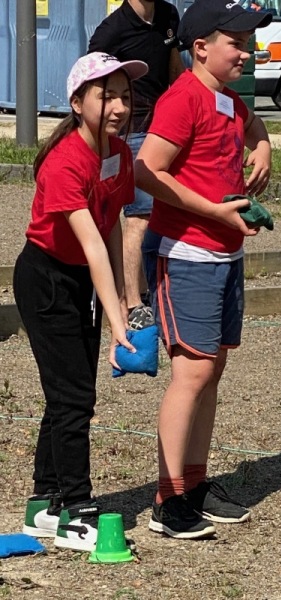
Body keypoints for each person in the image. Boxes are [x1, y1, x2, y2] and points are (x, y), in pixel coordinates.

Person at [134, 0, 272, 539]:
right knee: (191, 373)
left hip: (226, 254)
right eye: (235, 43)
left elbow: (251, 124)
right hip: (187, 254)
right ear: (200, 48)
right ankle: (167, 499)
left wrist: (263, 145)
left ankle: (194, 483)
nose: (246, 52)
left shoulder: (227, 100)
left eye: (247, 42)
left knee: (211, 370)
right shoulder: (183, 98)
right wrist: (214, 211)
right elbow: (147, 170)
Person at [14, 52, 148, 552]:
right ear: (77, 102)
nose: (119, 106)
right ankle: (76, 509)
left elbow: (110, 227)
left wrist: (125, 301)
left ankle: (43, 504)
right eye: (106, 96)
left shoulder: (120, 153)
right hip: (46, 280)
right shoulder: (64, 160)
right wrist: (118, 323)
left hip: (82, 282)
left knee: (68, 394)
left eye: (125, 96)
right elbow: (90, 245)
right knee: (73, 399)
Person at [88, 0, 185, 330]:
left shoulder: (169, 15)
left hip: (163, 129)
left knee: (157, 212)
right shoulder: (111, 31)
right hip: (130, 131)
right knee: (139, 216)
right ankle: (133, 303)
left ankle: (148, 292)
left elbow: (175, 71)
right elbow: (92, 88)